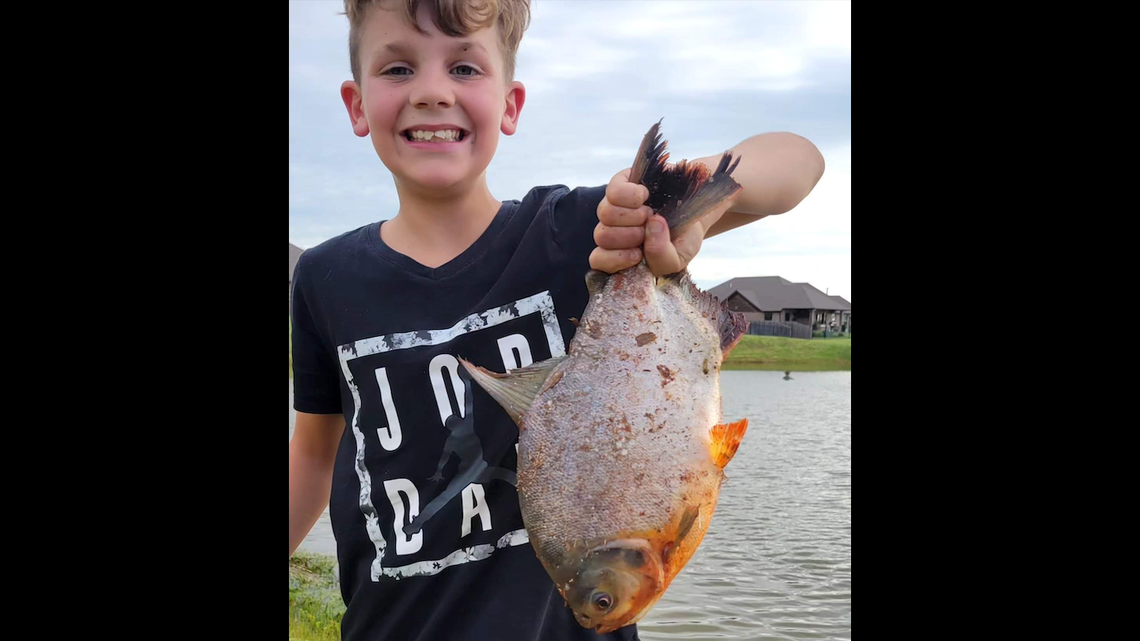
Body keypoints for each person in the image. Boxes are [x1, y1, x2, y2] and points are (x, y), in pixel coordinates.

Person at [289, 1, 825, 639]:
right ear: (355, 104)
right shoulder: (323, 277)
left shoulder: (579, 232)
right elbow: (316, 454)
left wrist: (680, 207)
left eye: (464, 67)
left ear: (511, 103)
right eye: (398, 69)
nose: (432, 92)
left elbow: (798, 161)